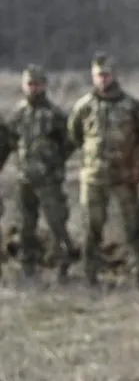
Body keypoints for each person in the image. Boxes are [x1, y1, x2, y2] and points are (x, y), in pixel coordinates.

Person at [67, 51, 139, 287]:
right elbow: (75, 135)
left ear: (114, 75)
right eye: (98, 75)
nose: (103, 79)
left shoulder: (133, 107)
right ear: (93, 77)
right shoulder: (84, 106)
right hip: (94, 178)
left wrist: (134, 160)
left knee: (133, 227)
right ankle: (89, 274)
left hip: (125, 178)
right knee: (92, 227)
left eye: (106, 75)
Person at [0, 65, 76, 282]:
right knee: (26, 225)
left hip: (50, 181)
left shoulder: (55, 114)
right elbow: (8, 143)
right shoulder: (17, 114)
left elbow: (69, 142)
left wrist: (55, 162)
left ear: (44, 85)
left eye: (37, 84)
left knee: (57, 223)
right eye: (29, 84)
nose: (33, 88)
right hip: (25, 179)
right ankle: (28, 266)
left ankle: (63, 265)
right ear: (24, 85)